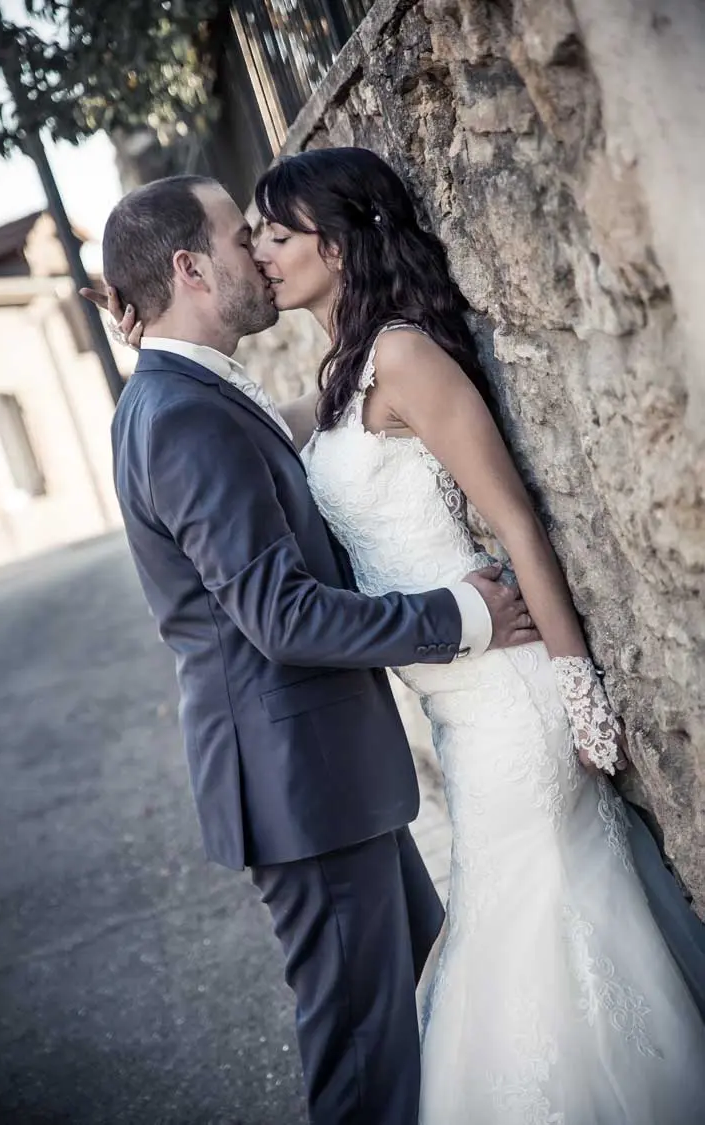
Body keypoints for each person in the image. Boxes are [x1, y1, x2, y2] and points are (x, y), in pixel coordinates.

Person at [245, 147, 705, 1123]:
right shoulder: (337, 374)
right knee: (520, 920)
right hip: (457, 705)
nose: (260, 253)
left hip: (512, 697)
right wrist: (163, 341)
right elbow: (241, 424)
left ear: (337, 237)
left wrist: (582, 696)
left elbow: (519, 521)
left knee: (534, 928)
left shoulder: (406, 356)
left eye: (277, 235)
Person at [94, 173, 540, 1125]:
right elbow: (281, 614)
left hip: (322, 777)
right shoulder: (181, 415)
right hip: (302, 787)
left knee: (430, 988)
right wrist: (460, 615)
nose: (256, 250)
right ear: (190, 268)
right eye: (237, 236)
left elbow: (290, 463)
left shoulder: (187, 396)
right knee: (363, 1058)